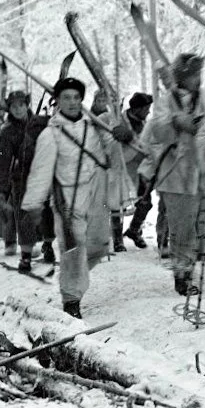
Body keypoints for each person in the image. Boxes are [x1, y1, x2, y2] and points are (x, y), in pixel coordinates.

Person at [20, 77, 132, 319]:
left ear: (82, 100)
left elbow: (114, 150)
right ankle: (71, 298)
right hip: (67, 197)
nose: (72, 102)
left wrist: (124, 135)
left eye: (76, 97)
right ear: (58, 101)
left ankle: (76, 275)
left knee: (100, 244)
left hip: (96, 193)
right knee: (72, 248)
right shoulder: (51, 134)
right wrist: (33, 204)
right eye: (66, 98)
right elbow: (41, 171)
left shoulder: (93, 127)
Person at [144, 54, 205, 296]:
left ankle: (191, 253)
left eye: (199, 74)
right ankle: (183, 273)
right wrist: (175, 123)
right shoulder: (165, 102)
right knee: (183, 228)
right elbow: (156, 131)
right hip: (176, 174)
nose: (197, 79)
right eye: (192, 75)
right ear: (182, 77)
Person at [0, 91, 53, 271]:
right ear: (9, 109)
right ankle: (26, 256)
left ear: (27, 104)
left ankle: (48, 246)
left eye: (21, 105)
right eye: (14, 106)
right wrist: (1, 191)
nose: (18, 109)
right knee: (25, 215)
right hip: (21, 179)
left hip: (43, 175)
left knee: (47, 214)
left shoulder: (42, 123)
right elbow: (3, 164)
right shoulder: (7, 133)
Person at [111, 92, 152, 252]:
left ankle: (134, 230)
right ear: (137, 108)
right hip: (120, 168)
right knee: (117, 204)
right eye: (146, 108)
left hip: (139, 169)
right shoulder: (119, 121)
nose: (148, 112)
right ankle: (117, 239)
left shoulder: (144, 123)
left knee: (145, 201)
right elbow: (107, 142)